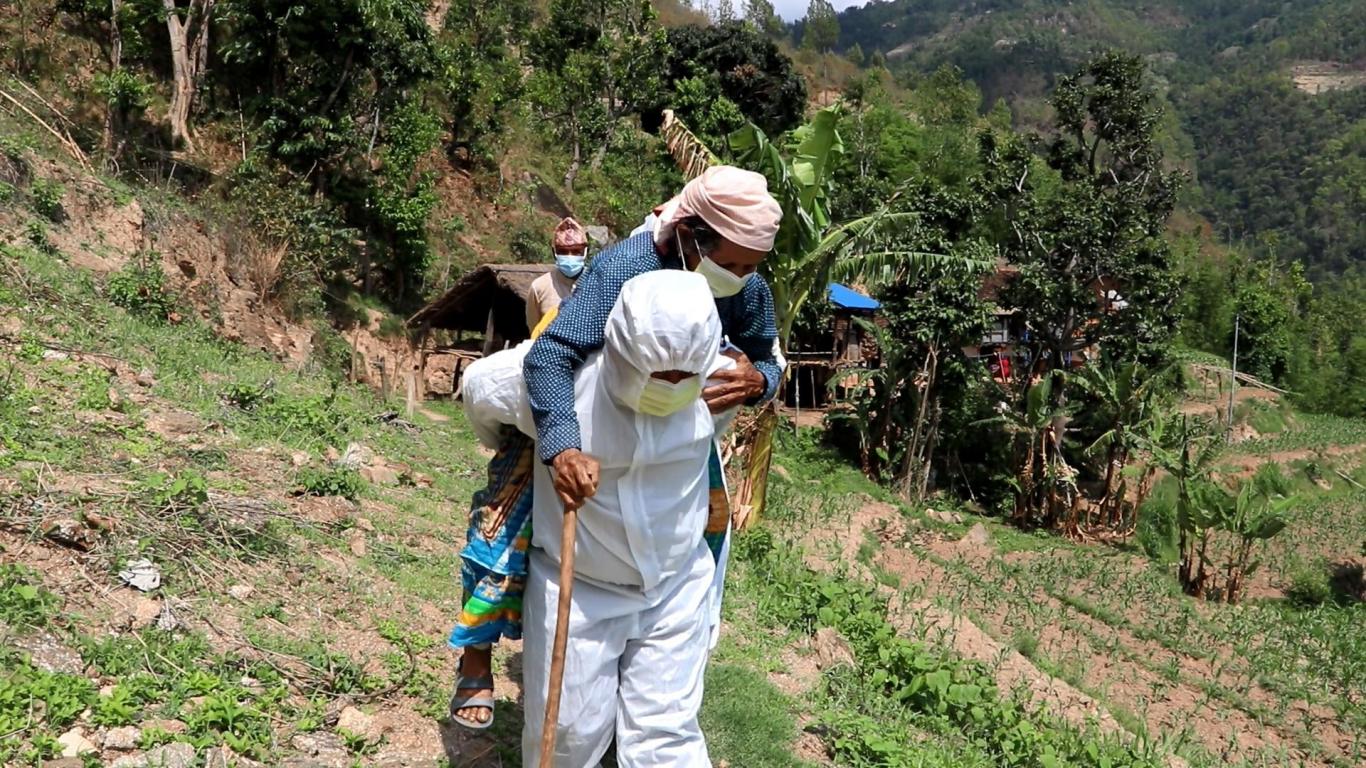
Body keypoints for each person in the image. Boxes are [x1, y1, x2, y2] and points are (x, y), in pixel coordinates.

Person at [465, 272, 739, 767]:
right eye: (656, 374)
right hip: (580, 588)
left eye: (683, 378)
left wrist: (765, 374)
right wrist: (535, 447)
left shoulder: (719, 383)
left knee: (667, 737)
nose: (670, 387)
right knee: (569, 734)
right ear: (619, 346)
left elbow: (768, 363)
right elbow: (479, 387)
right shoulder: (556, 384)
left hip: (675, 587)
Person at [525, 165, 785, 515]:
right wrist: (564, 448)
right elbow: (552, 352)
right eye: (729, 264)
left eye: (750, 267)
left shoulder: (749, 292)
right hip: (597, 445)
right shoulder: (625, 269)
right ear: (685, 234)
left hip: (680, 456)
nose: (738, 278)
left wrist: (759, 381)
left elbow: (768, 362)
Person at [526, 217, 589, 333]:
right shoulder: (539, 288)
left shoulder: (597, 284)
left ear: (585, 252)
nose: (570, 256)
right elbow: (534, 330)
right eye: (563, 252)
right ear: (554, 253)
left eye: (576, 251)